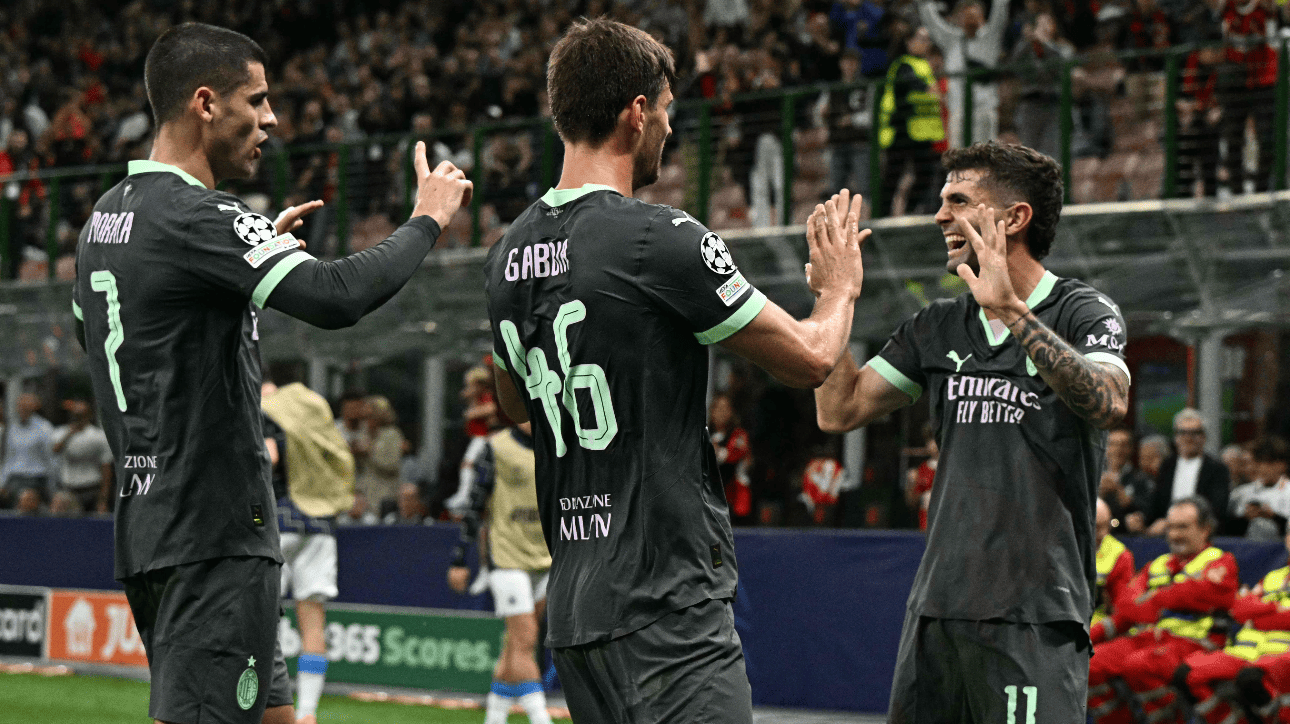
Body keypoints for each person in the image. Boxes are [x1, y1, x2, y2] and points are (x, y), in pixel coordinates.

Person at [72, 22, 470, 724]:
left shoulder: (103, 219)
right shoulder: (202, 216)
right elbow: (337, 296)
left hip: (151, 524)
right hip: (212, 530)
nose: (271, 119)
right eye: (255, 101)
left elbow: (123, 337)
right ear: (204, 104)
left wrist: (237, 267)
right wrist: (425, 220)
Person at [485, 18, 867, 722]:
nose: (668, 127)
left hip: (575, 607)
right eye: (666, 110)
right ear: (636, 112)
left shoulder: (507, 254)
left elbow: (513, 404)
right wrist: (838, 290)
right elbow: (813, 358)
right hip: (664, 604)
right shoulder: (658, 238)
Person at [815, 141, 1132, 723]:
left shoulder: (1084, 312)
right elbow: (840, 410)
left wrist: (1012, 311)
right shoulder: (937, 325)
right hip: (937, 609)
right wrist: (836, 298)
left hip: (1034, 614)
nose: (940, 216)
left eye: (958, 201)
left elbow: (1109, 401)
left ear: (1014, 219)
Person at [1087, 498, 1239, 724]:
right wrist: (1085, 641)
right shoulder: (1157, 565)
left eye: (1183, 527)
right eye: (1170, 527)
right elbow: (1126, 608)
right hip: (1151, 640)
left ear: (1205, 529)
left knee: (1139, 665)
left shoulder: (1221, 561)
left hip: (1196, 643)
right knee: (1090, 664)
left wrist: (1154, 599)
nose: (1174, 535)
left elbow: (1204, 594)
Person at [262, 378, 356, 724]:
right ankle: (307, 714)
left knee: (262, 621)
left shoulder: (267, 415)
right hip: (320, 525)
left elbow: (268, 458)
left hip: (279, 522)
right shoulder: (313, 418)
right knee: (314, 623)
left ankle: (262, 706)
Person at [447, 422, 553, 724]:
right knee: (526, 639)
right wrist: (458, 559)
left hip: (545, 559)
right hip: (506, 558)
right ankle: (540, 718)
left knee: (514, 645)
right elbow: (474, 505)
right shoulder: (496, 448)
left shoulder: (558, 444)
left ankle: (494, 718)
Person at [1175, 527, 1290, 724]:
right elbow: (1239, 609)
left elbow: (1258, 613)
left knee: (1251, 680)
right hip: (1244, 654)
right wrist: (1275, 609)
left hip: (1281, 657)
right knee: (1185, 674)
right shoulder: (1273, 577)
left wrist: (1259, 614)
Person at [917, 0, 1009, 147]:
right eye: (967, 15)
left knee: (984, 157)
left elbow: (1000, 13)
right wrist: (924, 4)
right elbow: (932, 23)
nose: (971, 19)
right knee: (959, 158)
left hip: (985, 109)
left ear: (982, 17)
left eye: (975, 15)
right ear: (959, 19)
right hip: (958, 109)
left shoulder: (990, 38)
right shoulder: (951, 40)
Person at [879, 26, 947, 216]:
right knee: (893, 177)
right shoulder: (903, 63)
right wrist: (927, 88)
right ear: (909, 42)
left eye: (928, 39)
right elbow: (910, 83)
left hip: (921, 132)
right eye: (921, 38)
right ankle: (881, 216)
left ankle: (908, 212)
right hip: (901, 129)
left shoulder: (924, 65)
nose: (926, 43)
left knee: (925, 175)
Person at [1146, 409, 1230, 535]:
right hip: (1165, 534)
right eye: (1182, 432)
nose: (1188, 438)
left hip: (1201, 534)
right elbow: (1156, 503)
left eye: (1194, 433)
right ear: (1175, 437)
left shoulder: (1217, 469)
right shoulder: (1167, 466)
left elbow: (1216, 510)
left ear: (1204, 437)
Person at [52, 396, 114, 513]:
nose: (77, 418)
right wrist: (70, 433)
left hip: (91, 488)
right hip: (68, 489)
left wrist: (103, 500)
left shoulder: (98, 436)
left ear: (88, 415)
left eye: (80, 415)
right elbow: (55, 450)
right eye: (75, 415)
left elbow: (106, 469)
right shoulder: (60, 432)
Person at [1227, 436, 1290, 540]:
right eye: (1259, 462)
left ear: (1282, 464)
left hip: (1281, 552)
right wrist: (1245, 519)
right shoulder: (1240, 493)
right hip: (1247, 550)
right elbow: (1228, 530)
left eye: (1269, 462)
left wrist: (1273, 517)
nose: (1263, 467)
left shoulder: (1288, 491)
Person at [1, 392, 55, 506]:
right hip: (15, 478)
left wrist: (52, 485)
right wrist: (2, 482)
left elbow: (50, 457)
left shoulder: (44, 427)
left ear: (34, 407)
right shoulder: (12, 427)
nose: (22, 409)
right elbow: (9, 458)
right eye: (20, 406)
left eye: (26, 406)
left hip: (38, 479)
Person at [1100, 427, 1154, 533]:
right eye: (1113, 444)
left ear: (1131, 448)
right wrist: (1099, 495)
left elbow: (1148, 513)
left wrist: (1122, 494)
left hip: (1128, 537)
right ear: (1105, 448)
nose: (1118, 449)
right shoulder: (1095, 476)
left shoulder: (1142, 478)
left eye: (1123, 445)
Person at [709, 393, 753, 525]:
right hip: (707, 499)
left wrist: (715, 452)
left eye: (726, 408)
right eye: (718, 408)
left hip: (733, 500)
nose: (722, 412)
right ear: (712, 411)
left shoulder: (739, 435)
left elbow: (732, 456)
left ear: (732, 412)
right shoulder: (703, 433)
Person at [1093, 497, 1135, 630]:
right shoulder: (1057, 547)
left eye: (1107, 525)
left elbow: (1120, 610)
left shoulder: (1120, 555)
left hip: (1095, 627)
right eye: (1097, 527)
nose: (1103, 533)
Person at [356, 395, 405, 511]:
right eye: (364, 418)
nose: (366, 421)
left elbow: (392, 464)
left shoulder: (392, 434)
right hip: (363, 494)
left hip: (385, 494)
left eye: (370, 416)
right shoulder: (362, 434)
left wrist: (370, 454)